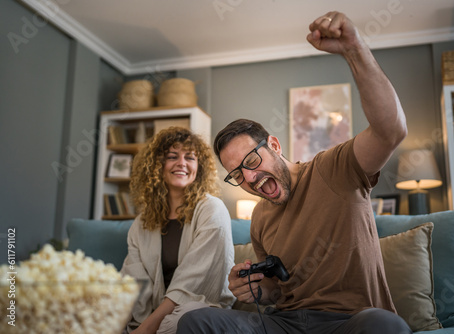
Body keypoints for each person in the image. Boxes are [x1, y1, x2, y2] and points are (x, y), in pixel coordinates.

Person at [177, 11, 411, 334]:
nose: (249, 178)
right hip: (284, 324)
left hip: (349, 321)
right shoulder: (260, 217)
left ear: (274, 144)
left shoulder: (333, 169)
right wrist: (256, 290)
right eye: (236, 174)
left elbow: (390, 131)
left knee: (385, 325)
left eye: (251, 161)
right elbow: (277, 291)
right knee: (195, 321)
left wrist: (354, 49)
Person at [120, 127, 236, 334]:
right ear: (157, 165)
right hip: (152, 312)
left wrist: (147, 328)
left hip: (199, 306)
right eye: (172, 157)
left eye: (190, 158)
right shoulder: (141, 223)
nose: (181, 163)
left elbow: (194, 281)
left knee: (175, 324)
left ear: (199, 168)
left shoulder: (212, 210)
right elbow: (132, 281)